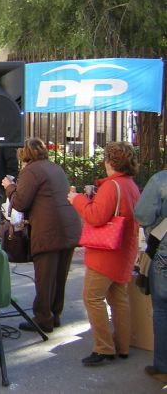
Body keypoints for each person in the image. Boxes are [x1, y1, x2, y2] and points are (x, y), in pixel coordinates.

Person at [68, 141, 140, 366]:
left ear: (110, 161)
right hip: (123, 250)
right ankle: (123, 346)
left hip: (106, 253)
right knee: (119, 299)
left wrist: (77, 200)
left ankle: (104, 347)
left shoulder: (112, 186)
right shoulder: (130, 185)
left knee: (93, 297)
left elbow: (96, 216)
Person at [3, 137, 81, 334]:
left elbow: (21, 202)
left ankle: (43, 318)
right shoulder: (55, 168)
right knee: (59, 275)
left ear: (25, 154)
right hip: (68, 226)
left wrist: (10, 187)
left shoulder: (31, 170)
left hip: (48, 229)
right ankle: (55, 314)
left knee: (45, 276)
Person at [134, 168, 167, 383]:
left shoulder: (161, 180)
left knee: (163, 310)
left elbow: (143, 214)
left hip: (164, 253)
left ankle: (163, 366)